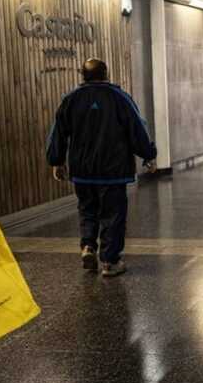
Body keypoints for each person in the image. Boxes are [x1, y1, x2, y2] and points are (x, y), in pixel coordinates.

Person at [46, 58, 156, 278]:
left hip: (82, 171)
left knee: (87, 210)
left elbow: (58, 132)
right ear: (106, 74)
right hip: (113, 171)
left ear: (83, 75)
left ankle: (88, 246)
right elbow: (137, 128)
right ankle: (110, 261)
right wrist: (148, 155)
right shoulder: (120, 98)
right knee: (113, 215)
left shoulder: (71, 99)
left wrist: (56, 161)